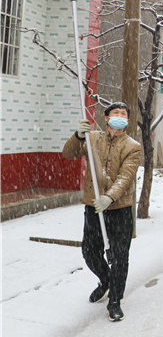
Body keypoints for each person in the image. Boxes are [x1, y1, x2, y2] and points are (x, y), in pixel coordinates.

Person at [62, 102, 141, 322]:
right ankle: (106, 279)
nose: (120, 117)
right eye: (116, 113)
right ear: (106, 118)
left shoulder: (133, 146)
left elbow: (126, 176)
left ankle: (115, 300)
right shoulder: (92, 139)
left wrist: (110, 196)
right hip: (94, 206)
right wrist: (78, 136)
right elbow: (68, 154)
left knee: (119, 256)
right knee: (89, 251)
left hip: (119, 209)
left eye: (124, 114)